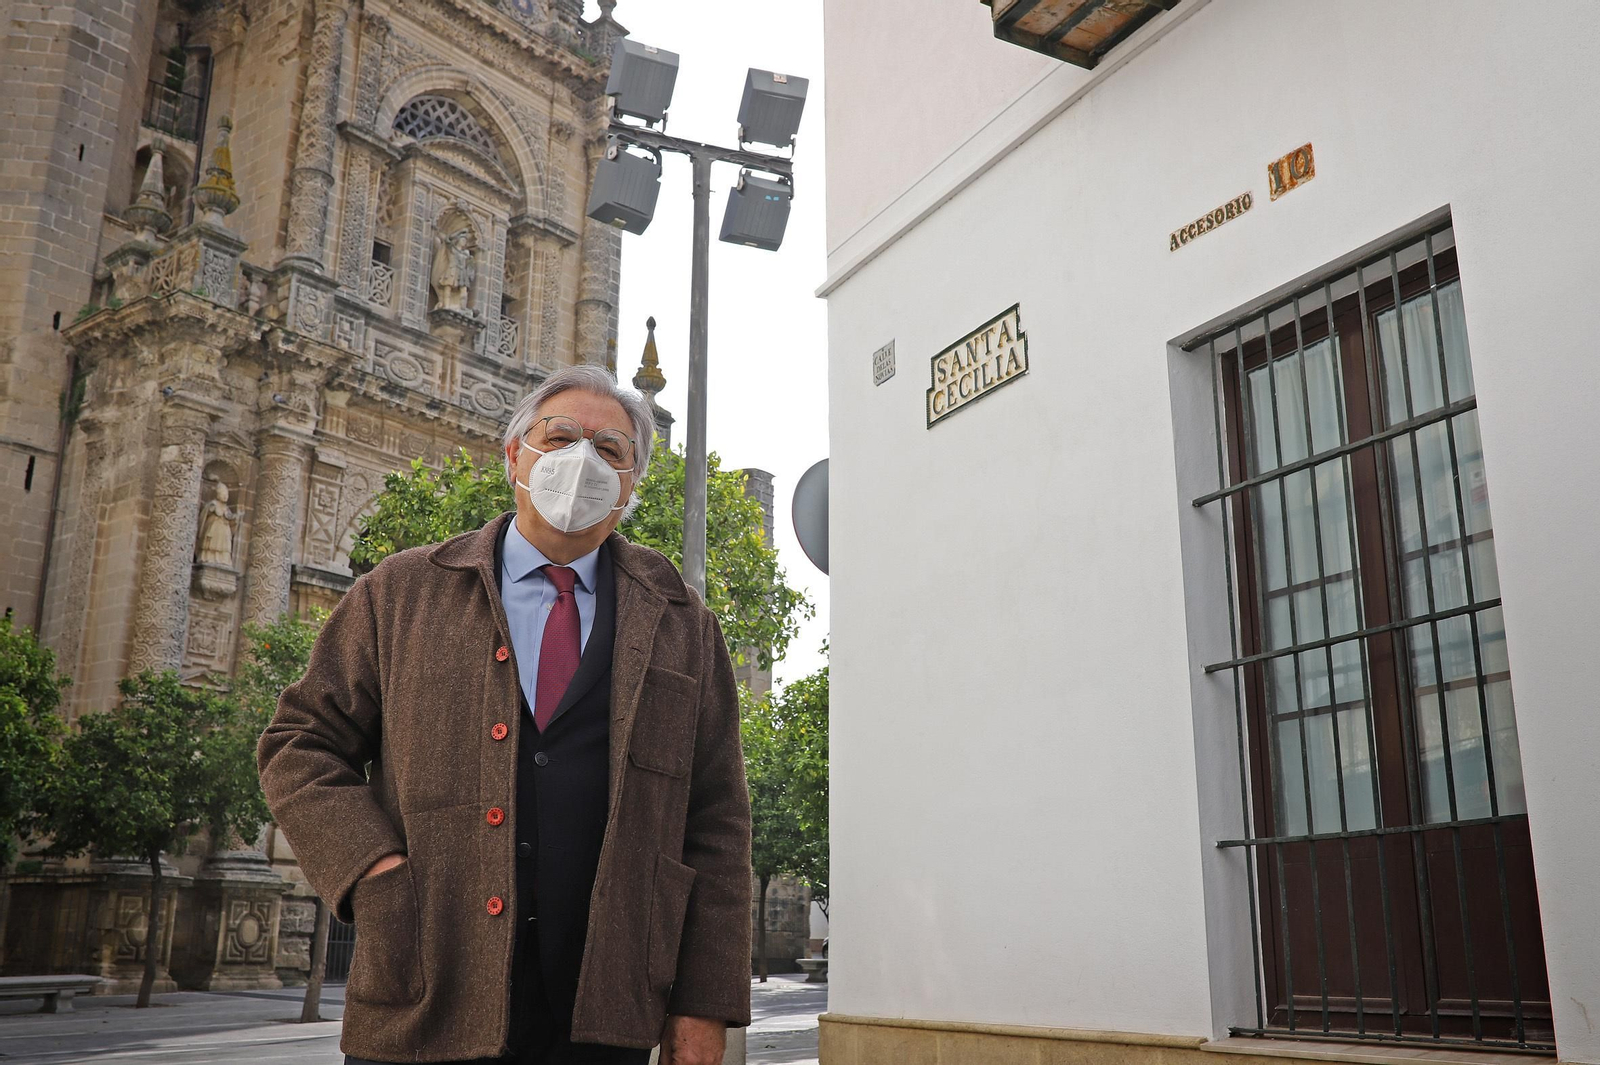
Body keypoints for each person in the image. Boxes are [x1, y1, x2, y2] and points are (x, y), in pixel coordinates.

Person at [258, 365, 752, 1065]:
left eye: (611, 450)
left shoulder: (682, 623)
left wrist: (705, 1003)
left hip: (603, 1010)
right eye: (560, 437)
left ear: (633, 482)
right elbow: (298, 745)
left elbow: (717, 822)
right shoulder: (399, 593)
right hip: (424, 994)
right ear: (515, 454)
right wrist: (373, 867)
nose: (583, 460)